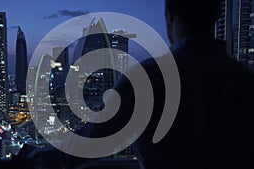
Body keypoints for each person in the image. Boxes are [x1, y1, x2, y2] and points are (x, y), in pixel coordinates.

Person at [15, 0, 254, 168]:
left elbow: (84, 146)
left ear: (169, 13)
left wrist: (33, 156)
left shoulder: (150, 78)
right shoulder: (245, 82)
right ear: (218, 14)